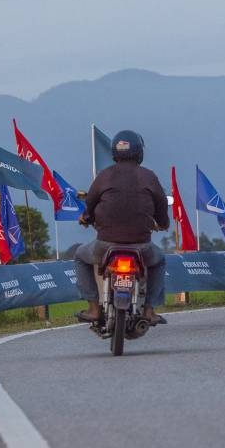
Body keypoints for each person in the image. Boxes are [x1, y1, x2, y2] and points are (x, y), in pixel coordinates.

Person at [74, 129, 169, 324]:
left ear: (114, 152)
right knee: (159, 261)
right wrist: (163, 224)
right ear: (139, 152)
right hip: (141, 247)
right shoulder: (149, 177)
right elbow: (161, 208)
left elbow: (90, 204)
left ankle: (93, 308)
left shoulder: (105, 175)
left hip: (105, 245)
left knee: (79, 256)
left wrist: (86, 217)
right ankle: (149, 310)